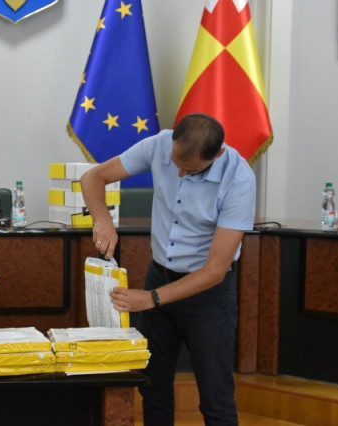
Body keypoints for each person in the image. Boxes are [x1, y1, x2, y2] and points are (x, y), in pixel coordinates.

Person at [80, 113, 255, 426]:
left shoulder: (239, 179)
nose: (180, 173)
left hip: (209, 294)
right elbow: (92, 177)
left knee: (215, 396)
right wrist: (102, 220)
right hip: (160, 274)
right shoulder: (159, 144)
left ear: (217, 154)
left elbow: (215, 271)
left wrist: (152, 299)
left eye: (191, 169)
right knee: (153, 387)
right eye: (175, 163)